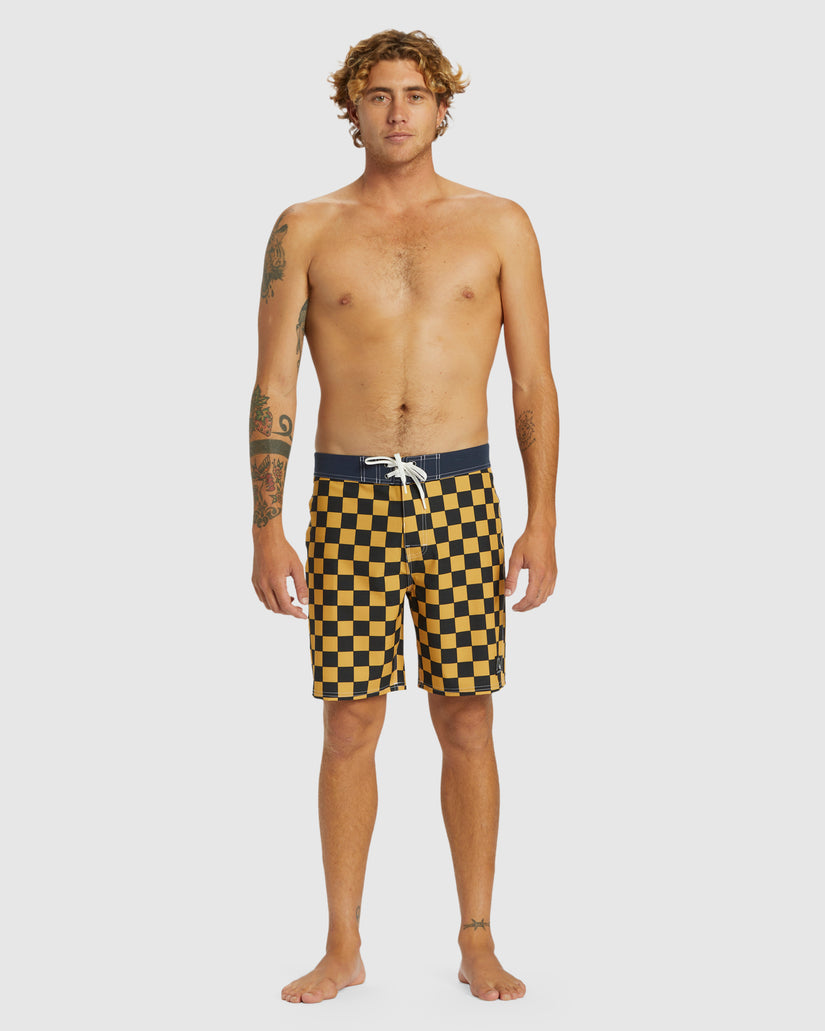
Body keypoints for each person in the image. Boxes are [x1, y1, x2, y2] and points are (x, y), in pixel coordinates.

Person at [249, 29, 558, 1004]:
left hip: (461, 497)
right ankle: (343, 944)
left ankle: (477, 936)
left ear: (441, 107)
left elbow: (534, 382)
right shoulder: (305, 226)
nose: (396, 111)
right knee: (349, 721)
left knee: (467, 714)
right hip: (349, 499)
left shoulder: (498, 223)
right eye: (377, 94)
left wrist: (542, 520)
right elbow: (274, 382)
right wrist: (266, 524)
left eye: (414, 94)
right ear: (352, 108)